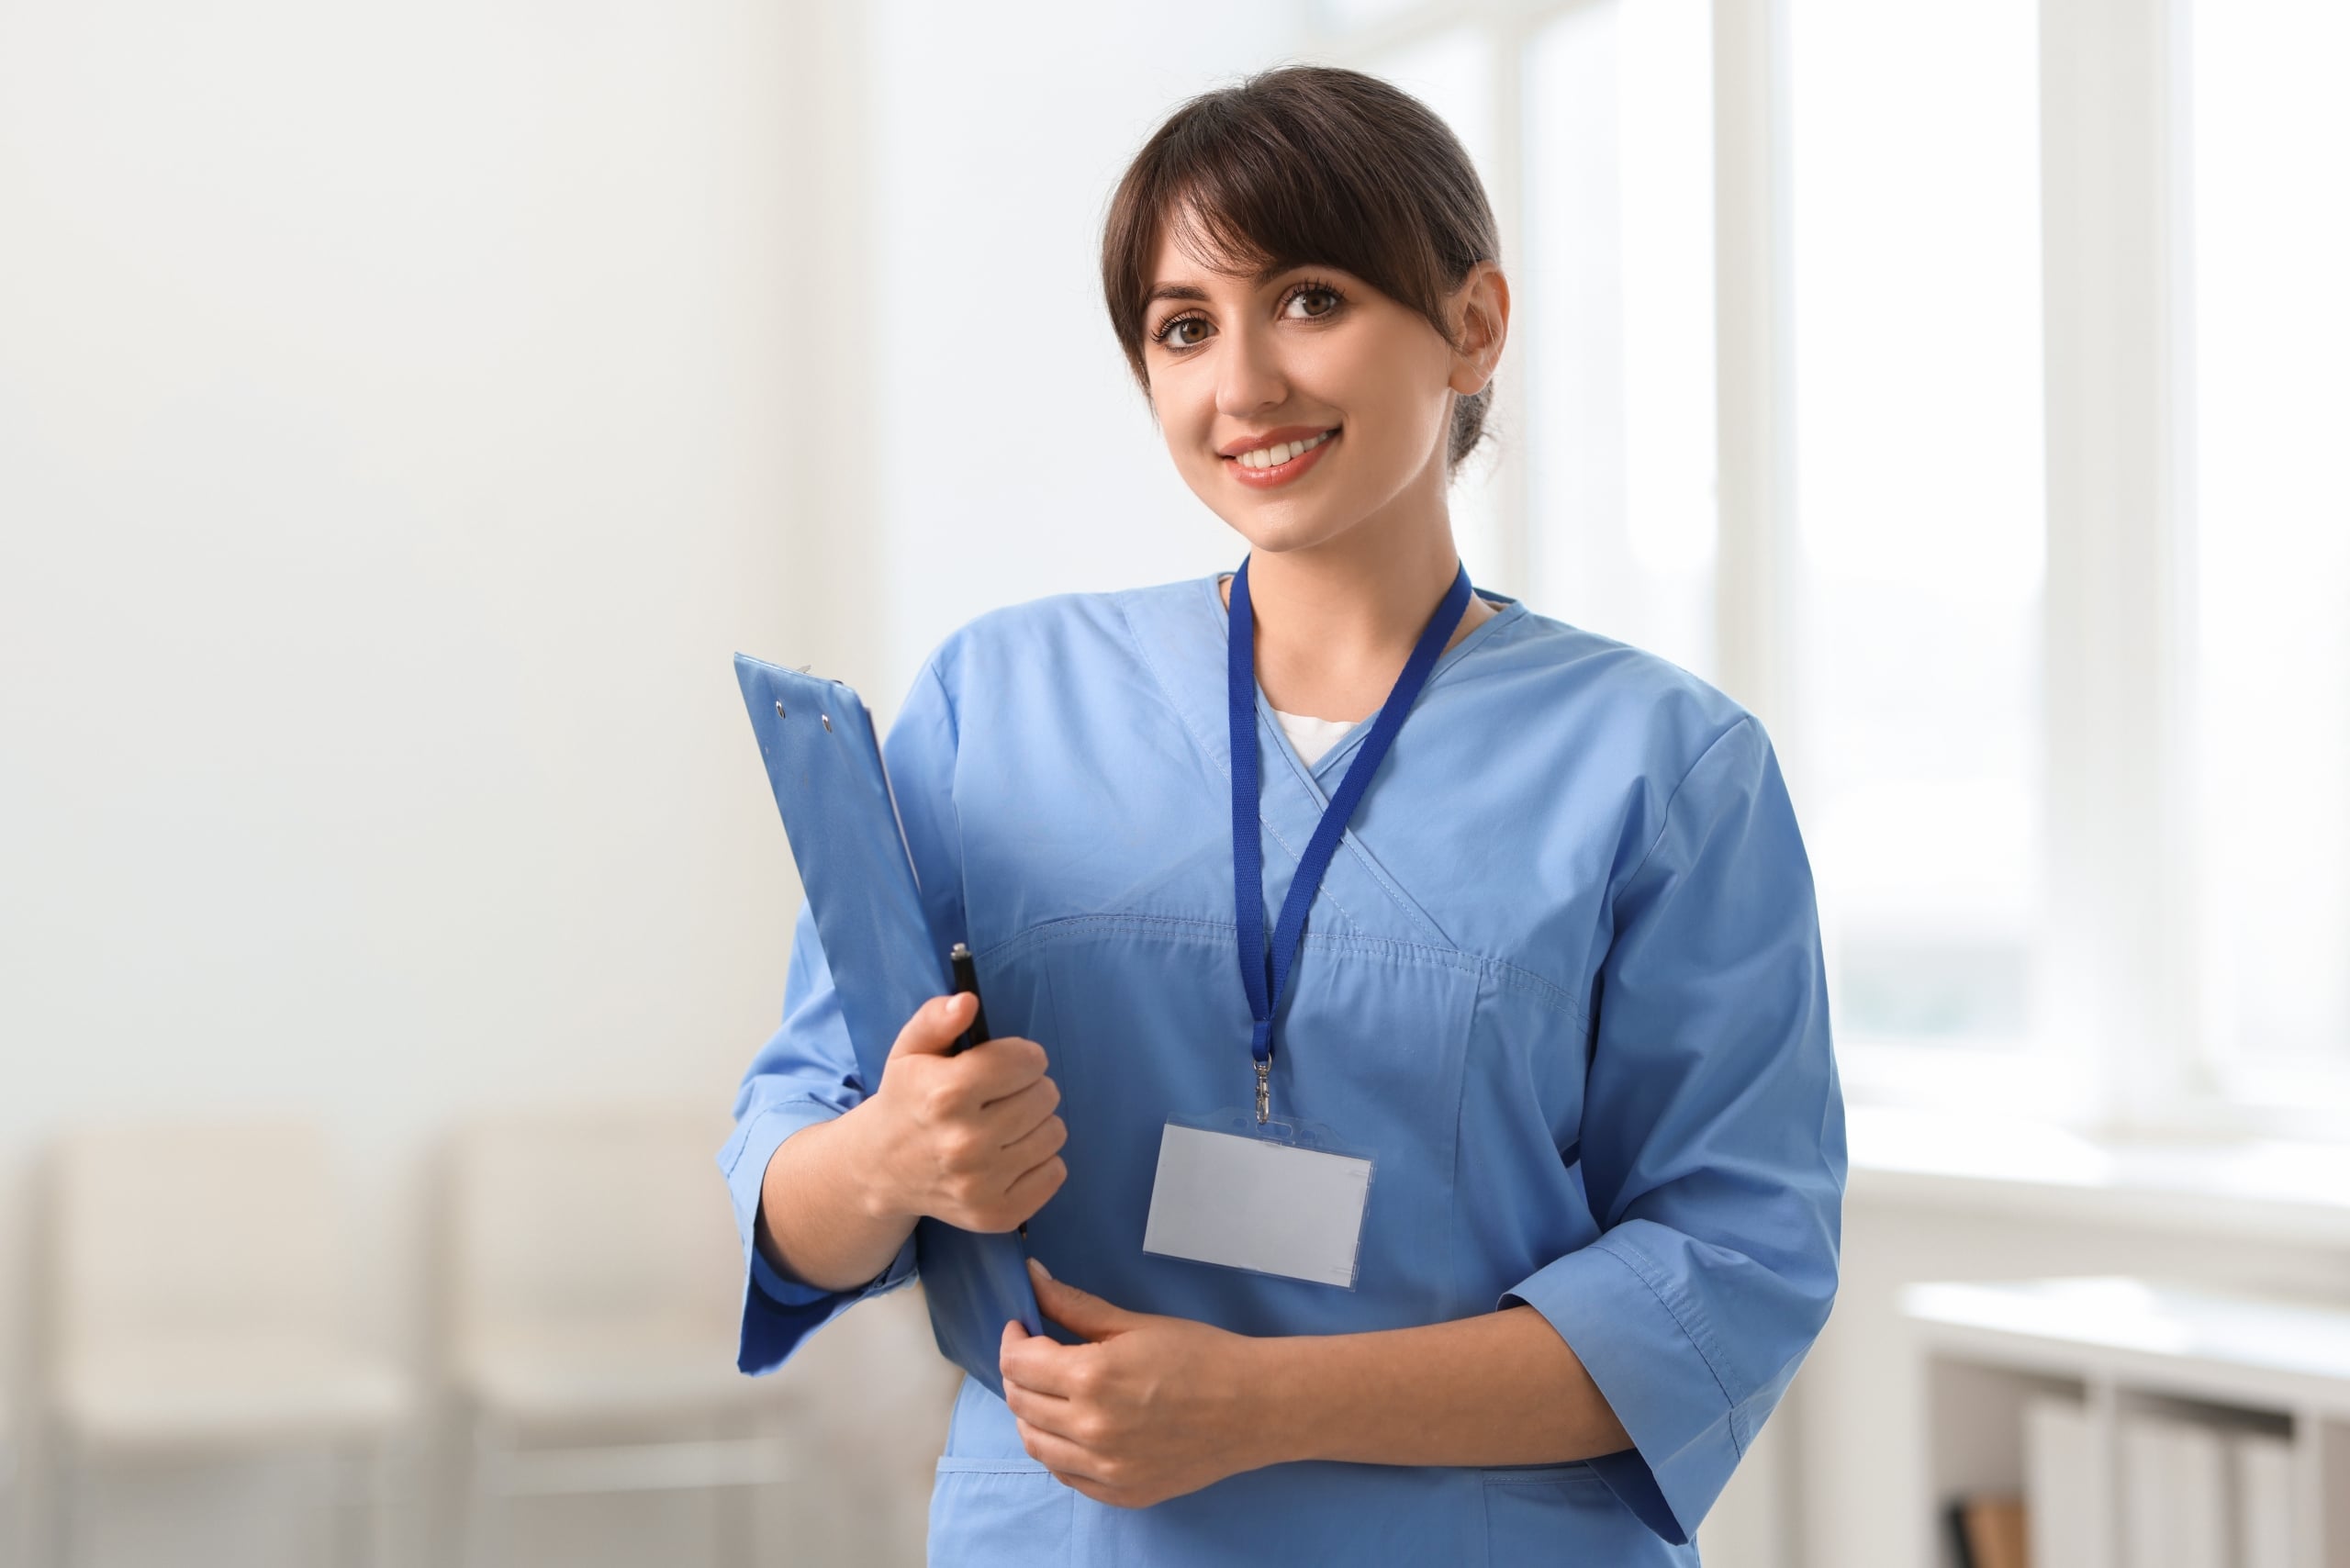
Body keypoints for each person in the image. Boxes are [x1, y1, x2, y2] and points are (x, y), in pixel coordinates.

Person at [718, 62, 1846, 1566]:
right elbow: (793, 1184)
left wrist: (1264, 1403)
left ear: (1473, 323)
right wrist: (889, 1163)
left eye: (1310, 299)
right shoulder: (1000, 699)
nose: (1241, 384)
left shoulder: (1666, 765)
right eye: (1184, 327)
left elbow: (1730, 1271)